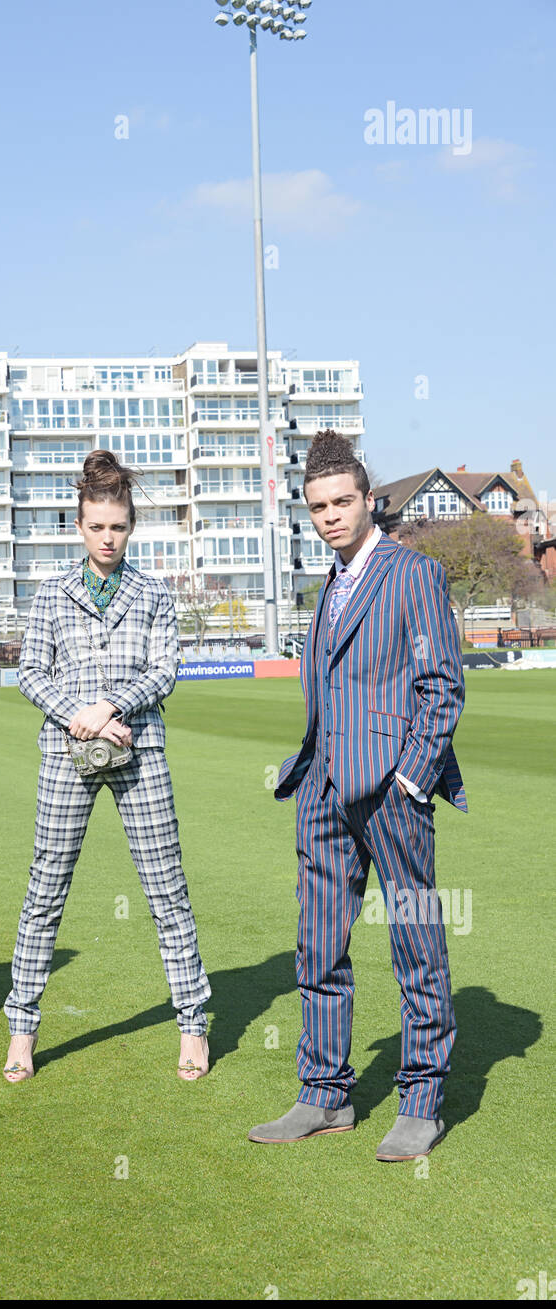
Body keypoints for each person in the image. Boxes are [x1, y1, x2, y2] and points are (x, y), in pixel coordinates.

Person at [248, 431, 467, 1160]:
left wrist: (410, 777)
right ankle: (323, 1095)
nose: (330, 516)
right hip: (322, 791)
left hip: (391, 795)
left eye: (342, 502)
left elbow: (440, 686)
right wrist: (311, 773)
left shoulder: (413, 574)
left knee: (415, 943)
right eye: (317, 507)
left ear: (368, 501)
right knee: (317, 948)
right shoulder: (327, 586)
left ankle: (421, 1100)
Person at [3, 451, 211, 1082]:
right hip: (67, 756)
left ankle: (193, 1024)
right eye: (97, 526)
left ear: (130, 525)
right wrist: (84, 716)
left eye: (117, 526)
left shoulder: (152, 594)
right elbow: (30, 675)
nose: (108, 538)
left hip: (139, 752)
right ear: (80, 525)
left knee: (166, 890)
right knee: (45, 891)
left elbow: (164, 671)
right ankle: (21, 1028)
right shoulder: (50, 594)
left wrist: (114, 705)